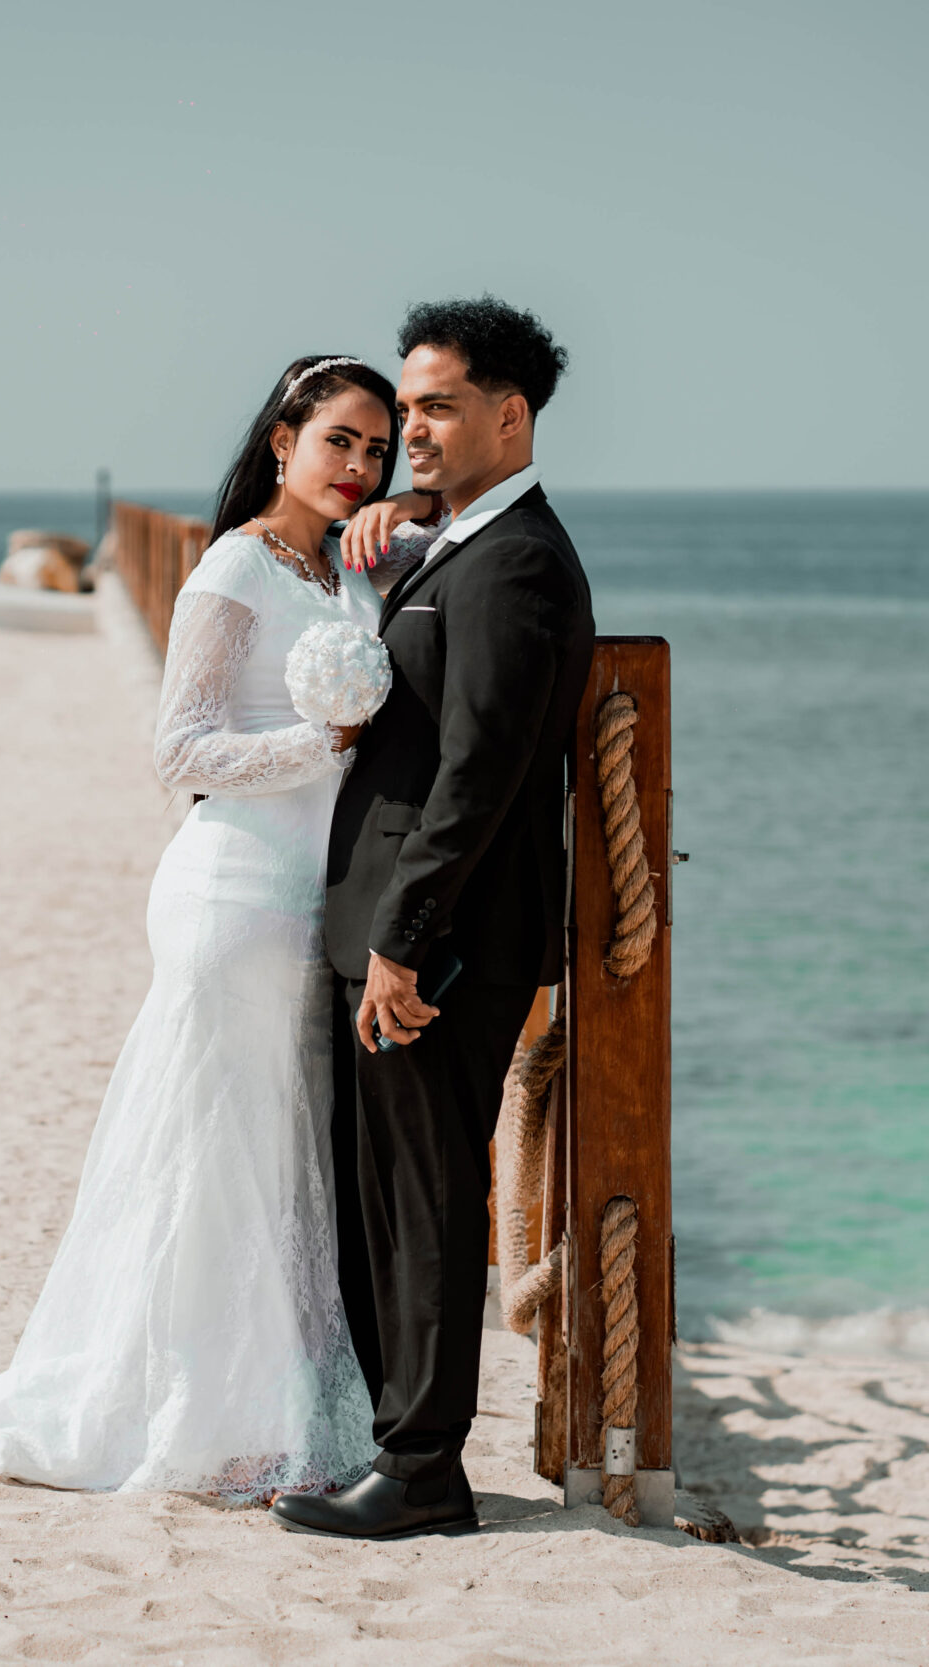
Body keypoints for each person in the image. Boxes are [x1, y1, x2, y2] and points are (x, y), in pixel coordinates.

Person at [0, 355, 433, 1498]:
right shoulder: (232, 567)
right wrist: (329, 745)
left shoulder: (345, 560)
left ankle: (261, 1404)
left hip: (318, 893)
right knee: (226, 1158)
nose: (359, 466)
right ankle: (210, 1417)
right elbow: (182, 748)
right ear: (281, 442)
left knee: (276, 1156)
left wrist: (403, 511)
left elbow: (442, 537)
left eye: (377, 448)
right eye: (338, 443)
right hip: (234, 891)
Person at [272, 298, 595, 1539]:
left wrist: (404, 943)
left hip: (435, 946)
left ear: (509, 417)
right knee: (381, 1194)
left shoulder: (517, 564)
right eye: (405, 406)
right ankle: (396, 1448)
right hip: (391, 931)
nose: (411, 428)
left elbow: (480, 771)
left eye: (439, 406)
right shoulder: (458, 539)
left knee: (421, 1201)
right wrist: (397, 523)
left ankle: (420, 1472)